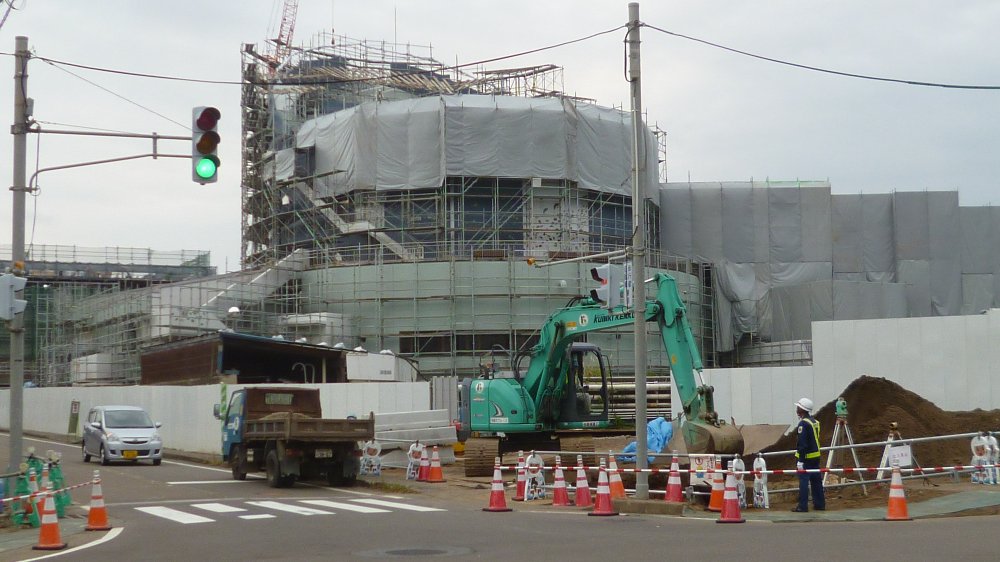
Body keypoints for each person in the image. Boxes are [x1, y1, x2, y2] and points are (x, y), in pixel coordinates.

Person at [792, 397, 825, 512]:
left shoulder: (803, 424)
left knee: (804, 482)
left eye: (798, 407)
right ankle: (820, 504)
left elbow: (802, 443)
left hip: (806, 458)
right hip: (816, 456)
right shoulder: (815, 422)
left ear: (802, 409)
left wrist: (800, 460)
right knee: (816, 481)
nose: (796, 409)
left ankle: (802, 506)